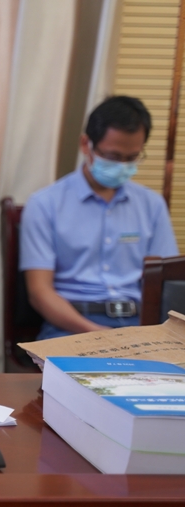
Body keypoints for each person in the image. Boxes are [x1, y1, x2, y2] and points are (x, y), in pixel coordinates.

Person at [20, 96, 179, 340]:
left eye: (132, 158)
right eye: (113, 156)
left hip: (139, 324)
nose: (122, 166)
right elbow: (39, 292)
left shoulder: (152, 205)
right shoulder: (45, 204)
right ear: (86, 145)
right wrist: (99, 334)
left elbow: (168, 284)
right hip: (70, 325)